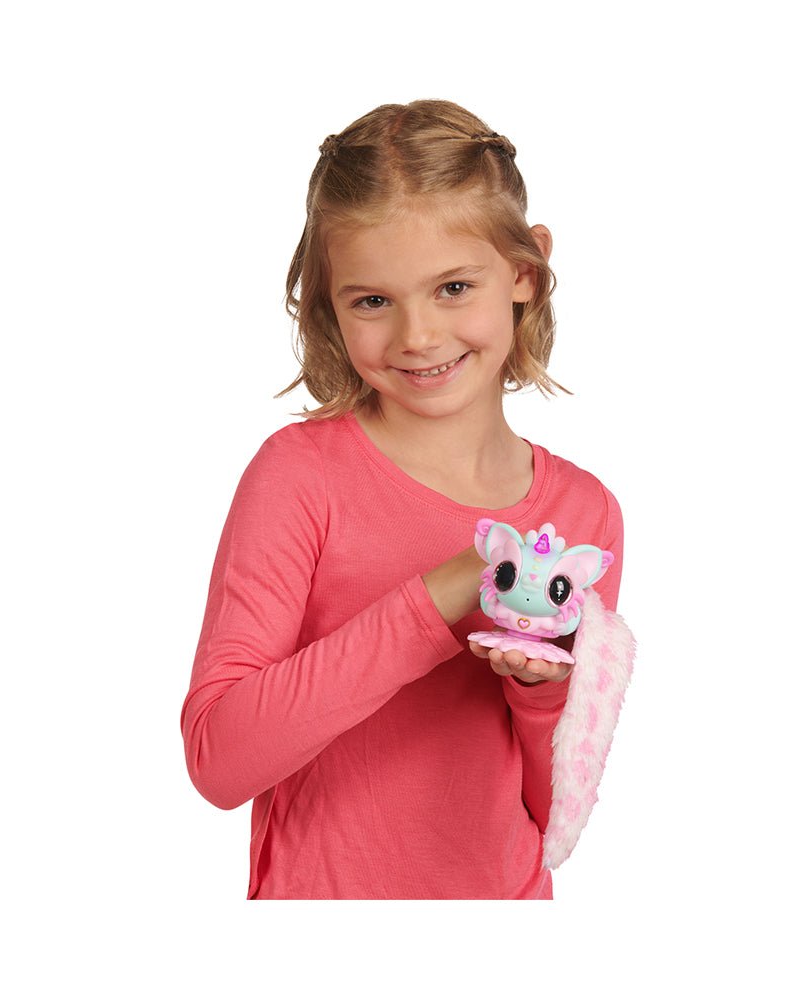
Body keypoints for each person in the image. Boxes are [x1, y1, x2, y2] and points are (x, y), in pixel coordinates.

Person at [180, 99, 625, 899]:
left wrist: (540, 693)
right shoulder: (300, 476)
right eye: (373, 301)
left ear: (524, 273)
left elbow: (557, 810)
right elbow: (220, 762)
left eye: (453, 287)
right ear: (329, 302)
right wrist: (435, 598)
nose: (418, 336)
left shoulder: (583, 515)